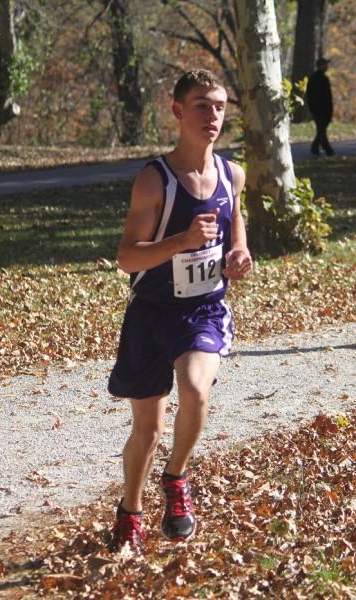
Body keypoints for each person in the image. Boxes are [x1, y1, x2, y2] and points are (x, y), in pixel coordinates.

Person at [106, 69, 252, 553]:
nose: (213, 116)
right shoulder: (155, 180)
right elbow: (128, 257)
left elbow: (236, 232)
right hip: (151, 313)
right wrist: (181, 242)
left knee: (195, 389)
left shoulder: (233, 174)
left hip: (203, 309)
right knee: (147, 432)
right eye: (202, 106)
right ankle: (130, 510)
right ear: (177, 111)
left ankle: (177, 479)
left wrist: (240, 256)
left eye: (220, 106)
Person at [305, 57, 335, 157]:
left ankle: (328, 150)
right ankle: (315, 147)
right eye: (325, 64)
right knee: (321, 129)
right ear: (321, 66)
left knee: (321, 129)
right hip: (322, 109)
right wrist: (329, 109)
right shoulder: (321, 79)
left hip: (316, 109)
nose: (327, 66)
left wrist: (311, 107)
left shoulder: (313, 78)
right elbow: (326, 96)